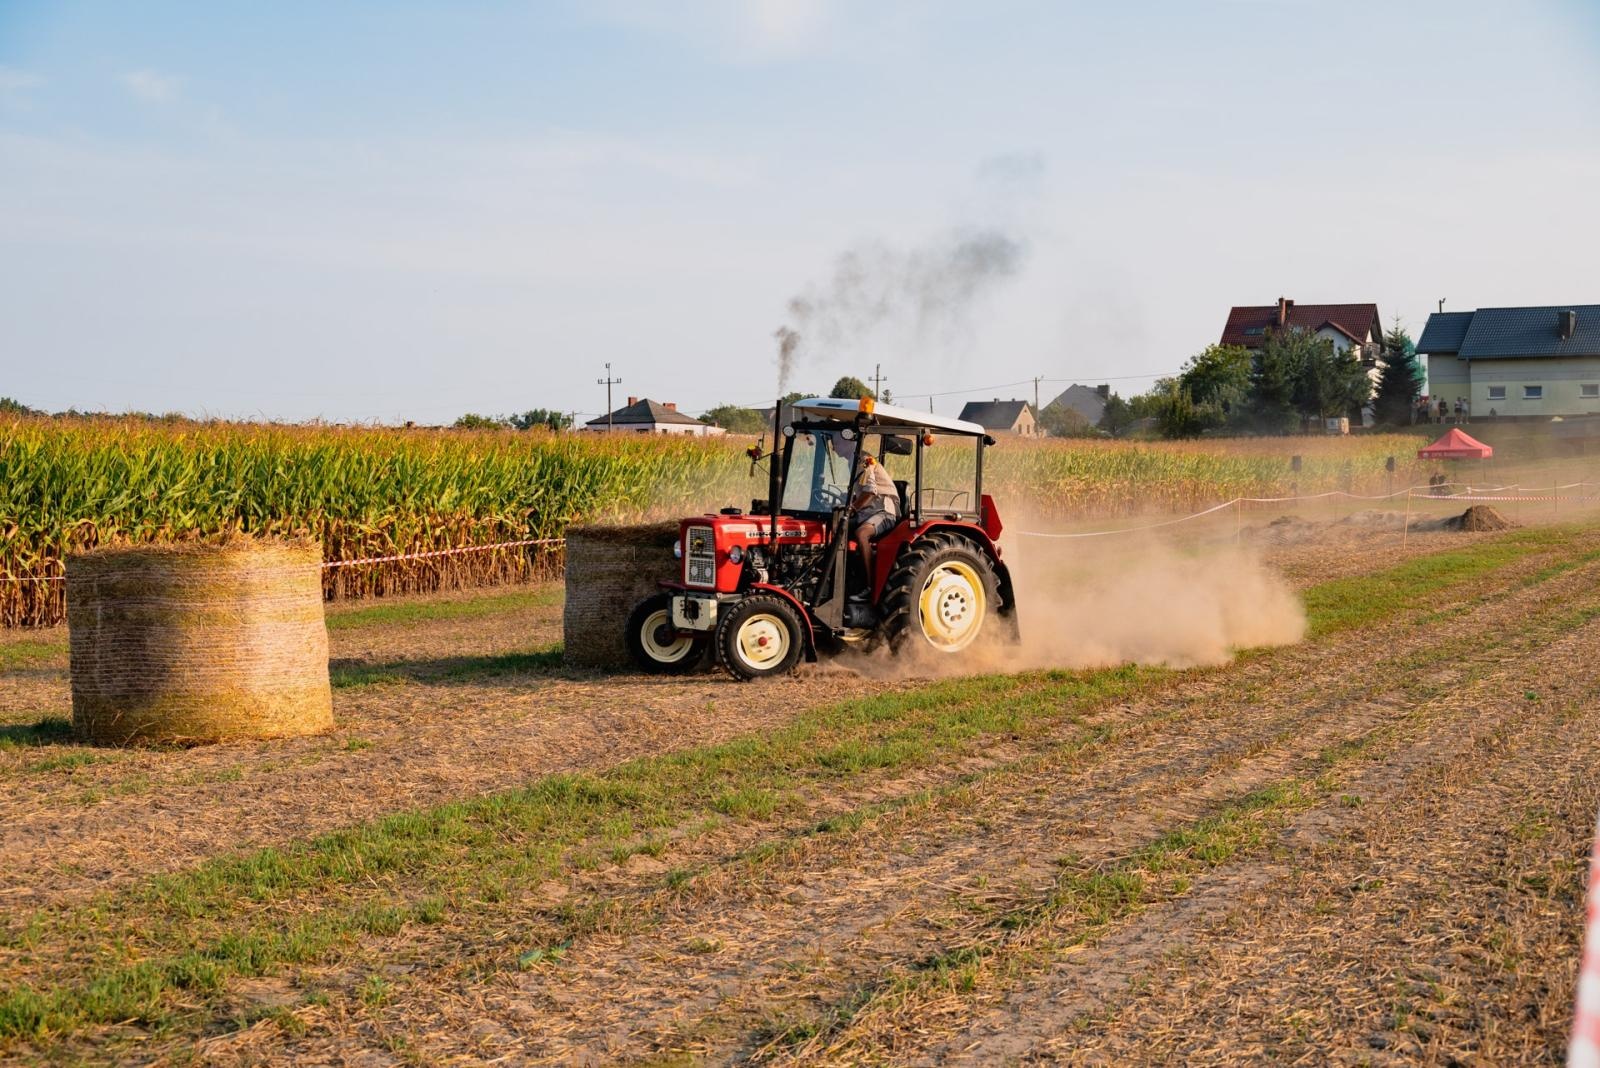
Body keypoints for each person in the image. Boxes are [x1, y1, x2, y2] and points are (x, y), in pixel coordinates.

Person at [834, 435, 900, 598]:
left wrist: (852, 509)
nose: (834, 447)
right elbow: (861, 492)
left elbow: (870, 493)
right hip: (868, 511)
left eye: (836, 443)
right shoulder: (852, 460)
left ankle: (870, 587)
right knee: (834, 527)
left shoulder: (863, 460)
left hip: (884, 510)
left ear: (848, 442)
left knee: (861, 534)